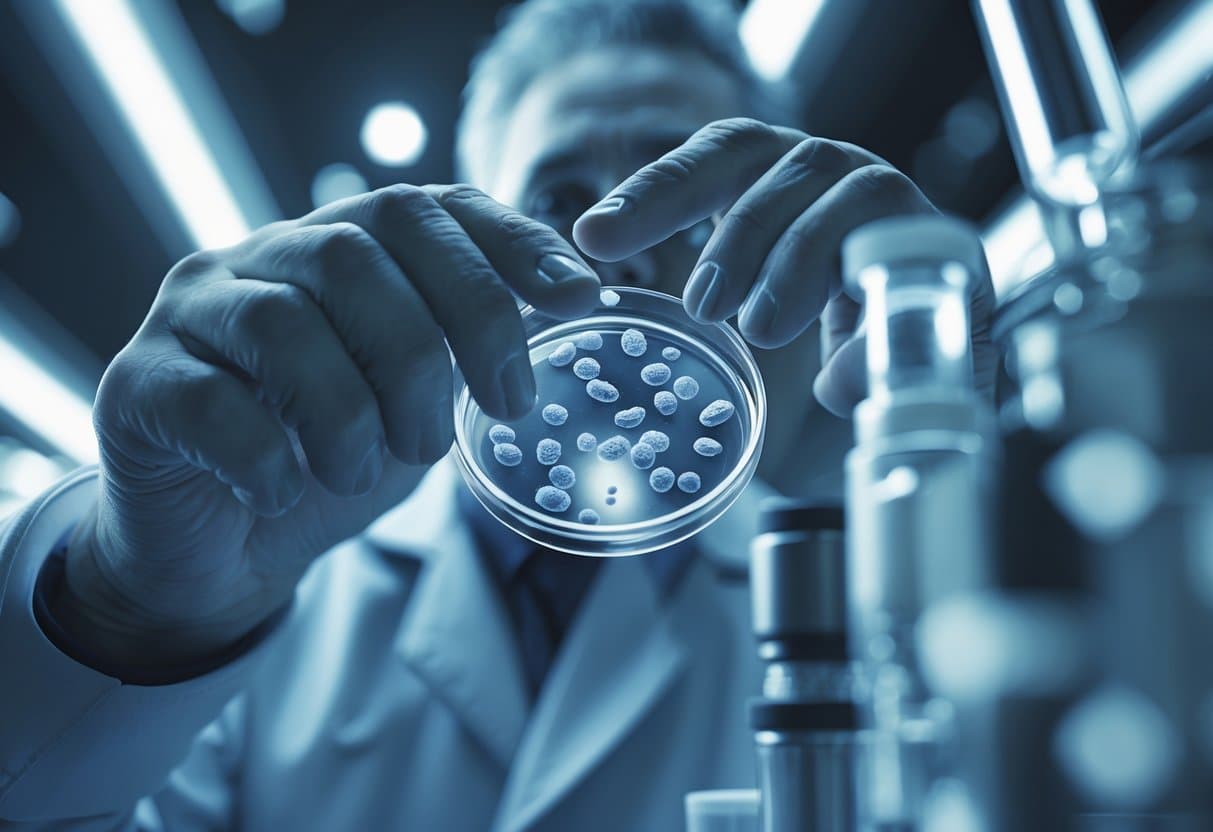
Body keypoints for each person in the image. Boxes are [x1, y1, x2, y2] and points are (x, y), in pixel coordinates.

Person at [0, 0, 995, 828]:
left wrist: (991, 479)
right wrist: (132, 609)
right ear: (466, 241)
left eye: (685, 205)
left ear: (779, 234)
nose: (617, 253)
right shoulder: (275, 580)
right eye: (560, 196)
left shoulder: (879, 588)